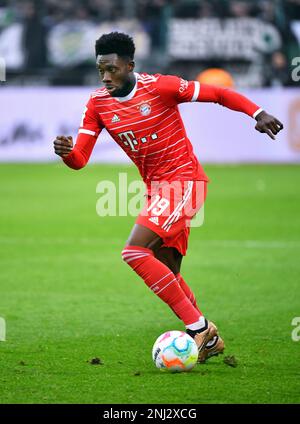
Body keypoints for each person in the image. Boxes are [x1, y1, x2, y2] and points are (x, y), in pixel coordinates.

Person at [53, 32, 283, 362]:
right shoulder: (97, 104)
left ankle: (198, 327)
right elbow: (79, 160)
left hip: (185, 183)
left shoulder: (160, 87)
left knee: (134, 252)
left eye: (113, 69)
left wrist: (257, 112)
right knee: (166, 268)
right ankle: (209, 337)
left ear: (129, 66)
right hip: (157, 191)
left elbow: (217, 93)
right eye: (101, 69)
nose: (106, 77)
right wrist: (66, 153)